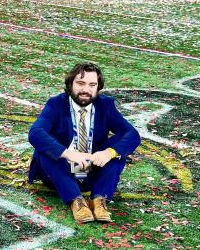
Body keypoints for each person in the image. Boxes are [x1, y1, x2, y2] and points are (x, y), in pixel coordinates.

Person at [28, 62, 141, 224]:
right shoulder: (56, 104)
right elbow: (35, 133)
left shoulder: (106, 105)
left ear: (98, 87)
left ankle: (99, 200)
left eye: (92, 85)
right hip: (61, 172)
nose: (86, 90)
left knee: (118, 147)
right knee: (44, 149)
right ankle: (76, 201)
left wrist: (109, 153)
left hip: (92, 171)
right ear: (70, 84)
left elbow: (132, 134)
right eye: (80, 83)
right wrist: (68, 153)